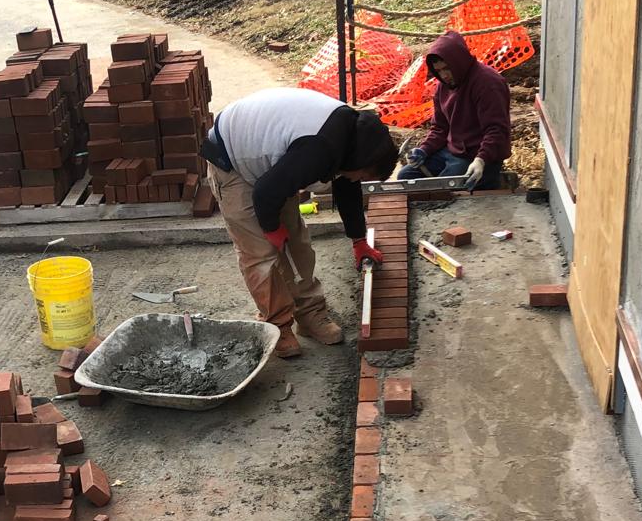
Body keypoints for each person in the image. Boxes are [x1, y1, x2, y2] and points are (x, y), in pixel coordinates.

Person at [202, 89, 399, 359]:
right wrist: (271, 228)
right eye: (362, 176)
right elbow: (264, 193)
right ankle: (278, 326)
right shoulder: (320, 149)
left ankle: (310, 315)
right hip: (231, 159)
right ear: (361, 162)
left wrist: (359, 240)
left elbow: (348, 189)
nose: (358, 180)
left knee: (297, 244)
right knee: (260, 254)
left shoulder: (351, 143)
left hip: (271, 164)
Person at [395, 31, 512, 190]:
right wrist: (424, 150)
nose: (444, 75)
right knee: (406, 177)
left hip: (478, 157)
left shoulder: (488, 83)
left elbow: (496, 131)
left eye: (446, 69)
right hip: (451, 151)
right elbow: (440, 128)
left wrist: (481, 160)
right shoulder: (443, 86)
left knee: (445, 188)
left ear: (458, 62)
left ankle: (489, 181)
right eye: (438, 71)